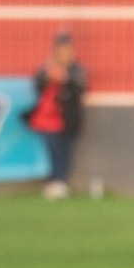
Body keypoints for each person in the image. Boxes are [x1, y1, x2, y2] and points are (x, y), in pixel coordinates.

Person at [27, 31, 86, 199]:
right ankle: (54, 180)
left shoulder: (76, 69)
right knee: (53, 149)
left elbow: (80, 90)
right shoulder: (47, 67)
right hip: (48, 118)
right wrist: (48, 76)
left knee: (65, 150)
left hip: (68, 118)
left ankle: (61, 181)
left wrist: (65, 79)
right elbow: (37, 86)